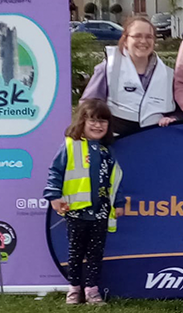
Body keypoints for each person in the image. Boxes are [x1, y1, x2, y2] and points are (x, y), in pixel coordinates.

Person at [43, 99, 125, 305]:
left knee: (95, 253)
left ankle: (92, 290)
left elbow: (115, 180)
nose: (98, 125)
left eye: (103, 121)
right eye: (93, 120)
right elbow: (55, 172)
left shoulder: (107, 151)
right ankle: (74, 288)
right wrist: (54, 196)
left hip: (101, 212)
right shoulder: (71, 146)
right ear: (82, 121)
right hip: (76, 211)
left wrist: (119, 202)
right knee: (75, 252)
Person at [81, 17, 177, 136]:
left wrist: (172, 119)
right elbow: (89, 105)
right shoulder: (108, 68)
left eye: (149, 37)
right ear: (125, 40)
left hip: (154, 141)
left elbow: (177, 111)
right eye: (137, 36)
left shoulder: (168, 74)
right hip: (116, 142)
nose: (143, 41)